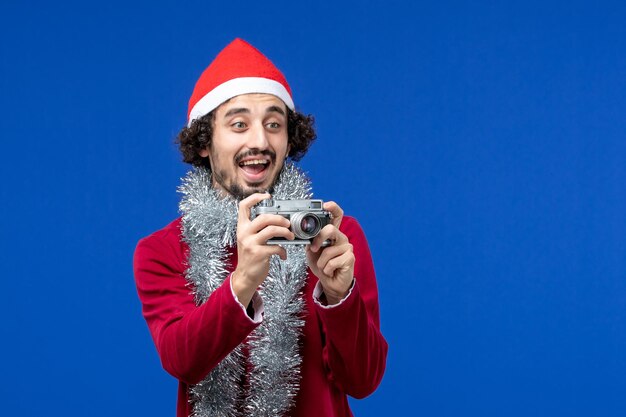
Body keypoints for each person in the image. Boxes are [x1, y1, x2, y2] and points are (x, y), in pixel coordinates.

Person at [133, 38, 387, 417]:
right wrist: (243, 280)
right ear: (205, 141)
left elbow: (364, 381)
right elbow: (181, 359)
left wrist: (339, 298)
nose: (259, 141)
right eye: (239, 124)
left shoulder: (333, 236)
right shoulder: (162, 250)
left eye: (274, 124)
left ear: (289, 139)